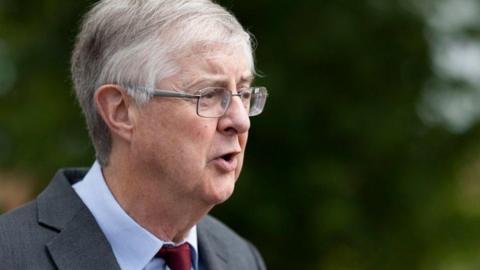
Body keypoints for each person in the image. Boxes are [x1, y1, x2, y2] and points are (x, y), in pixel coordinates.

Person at [0, 0, 268, 269]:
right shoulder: (10, 255)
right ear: (121, 110)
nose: (240, 121)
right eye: (209, 94)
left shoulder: (240, 257)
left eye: (243, 94)